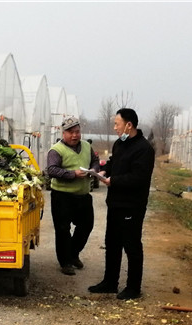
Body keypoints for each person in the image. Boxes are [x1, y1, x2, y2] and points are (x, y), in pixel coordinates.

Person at [88, 108, 155, 300]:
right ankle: (110, 282)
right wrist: (103, 172)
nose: (115, 128)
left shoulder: (144, 149)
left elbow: (138, 178)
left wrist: (113, 181)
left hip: (132, 205)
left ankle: (133, 287)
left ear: (129, 125)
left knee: (131, 245)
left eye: (117, 124)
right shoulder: (120, 144)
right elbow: (113, 163)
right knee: (112, 243)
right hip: (115, 203)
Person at [46, 116, 100, 276]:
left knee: (86, 226)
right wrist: (72, 174)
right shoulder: (56, 150)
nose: (75, 135)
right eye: (70, 132)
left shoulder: (86, 146)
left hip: (83, 195)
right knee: (63, 229)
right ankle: (65, 262)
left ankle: (73, 253)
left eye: (77, 132)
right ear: (64, 133)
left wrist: (94, 170)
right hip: (62, 196)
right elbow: (52, 170)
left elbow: (95, 160)